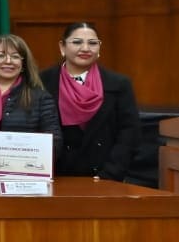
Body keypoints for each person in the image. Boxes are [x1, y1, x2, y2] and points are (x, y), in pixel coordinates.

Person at [40, 21, 141, 182]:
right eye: (77, 42)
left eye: (92, 43)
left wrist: (110, 174)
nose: (85, 48)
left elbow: (129, 132)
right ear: (62, 47)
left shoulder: (119, 84)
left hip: (103, 177)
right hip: (54, 176)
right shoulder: (41, 82)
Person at [0, 34, 62, 171]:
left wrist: (29, 159)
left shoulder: (41, 97)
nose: (8, 61)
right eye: (1, 56)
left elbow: (54, 140)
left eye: (15, 56)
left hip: (25, 177)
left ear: (23, 64)